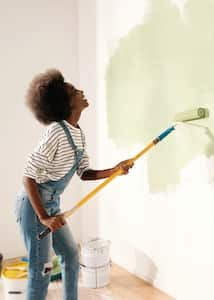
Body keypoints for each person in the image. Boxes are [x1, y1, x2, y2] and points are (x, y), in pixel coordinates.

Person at [15, 69, 134, 300]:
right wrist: (44, 217)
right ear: (66, 102)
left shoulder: (78, 133)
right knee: (41, 270)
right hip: (33, 206)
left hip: (50, 205)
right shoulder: (55, 132)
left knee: (70, 255)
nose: (81, 91)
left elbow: (84, 173)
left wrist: (115, 170)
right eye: (74, 91)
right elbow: (28, 176)